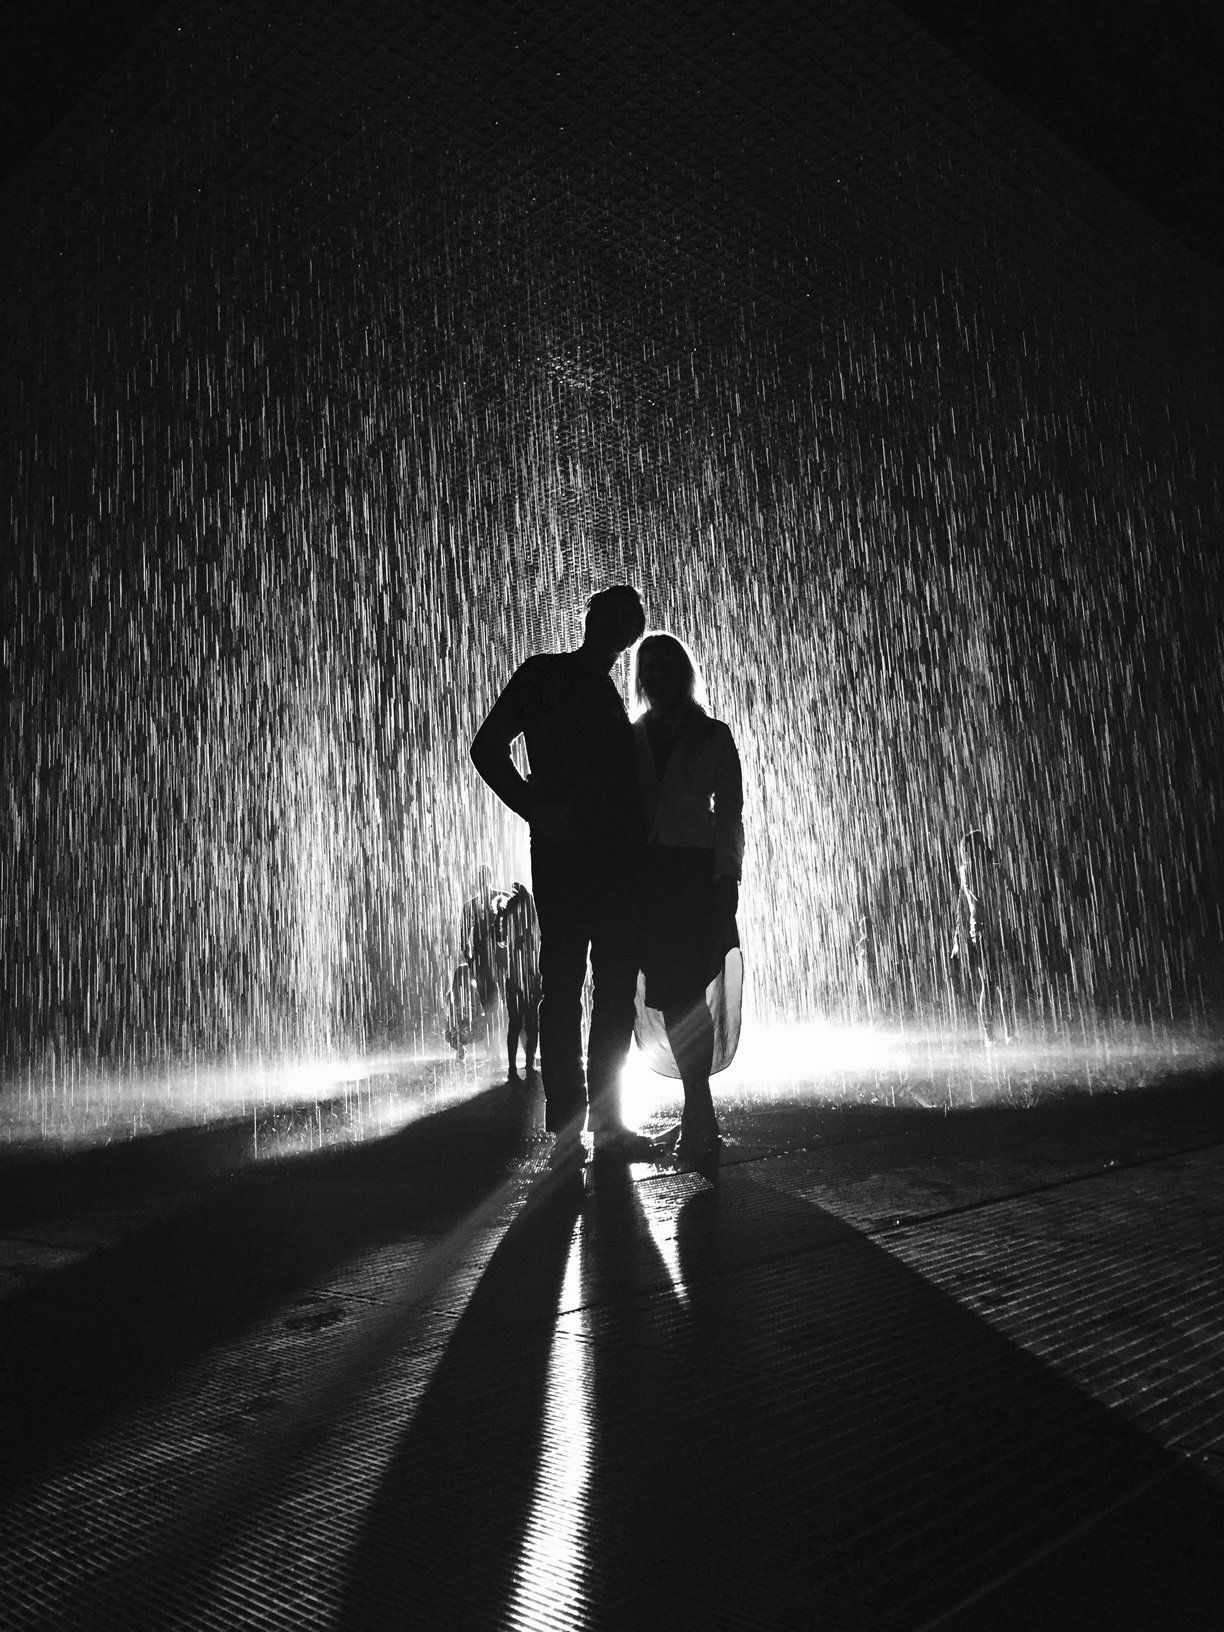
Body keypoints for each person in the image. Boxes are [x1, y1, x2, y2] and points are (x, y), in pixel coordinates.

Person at [470, 584, 653, 1167]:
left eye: (625, 629)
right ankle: (587, 1121)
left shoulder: (571, 683)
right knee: (584, 983)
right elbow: (486, 746)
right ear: (594, 621)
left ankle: (588, 1121)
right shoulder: (546, 675)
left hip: (595, 858)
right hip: (579, 856)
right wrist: (532, 806)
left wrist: (535, 808)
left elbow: (488, 748)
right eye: (614, 622)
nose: (617, 636)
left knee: (591, 985)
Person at [631, 633, 744, 1170]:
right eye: (646, 669)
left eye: (664, 667)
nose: (655, 677)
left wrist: (728, 879)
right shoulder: (633, 736)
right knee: (674, 997)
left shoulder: (712, 735)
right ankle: (700, 1113)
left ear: (683, 673)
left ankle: (700, 1113)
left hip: (695, 876)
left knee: (686, 994)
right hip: (649, 878)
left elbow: (732, 815)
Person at [950, 828, 1019, 1044]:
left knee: (1003, 984)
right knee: (990, 984)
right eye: (976, 846)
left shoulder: (989, 868)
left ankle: (1009, 1034)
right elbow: (982, 896)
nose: (980, 849)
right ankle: (991, 1035)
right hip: (981, 933)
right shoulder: (968, 871)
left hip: (998, 930)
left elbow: (1010, 894)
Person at [497, 881, 542, 1084]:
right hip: (529, 976)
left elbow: (499, 936)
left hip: (517, 977)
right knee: (530, 1022)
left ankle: (515, 1068)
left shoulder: (511, 922)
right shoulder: (528, 924)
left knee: (517, 1023)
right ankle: (526, 1065)